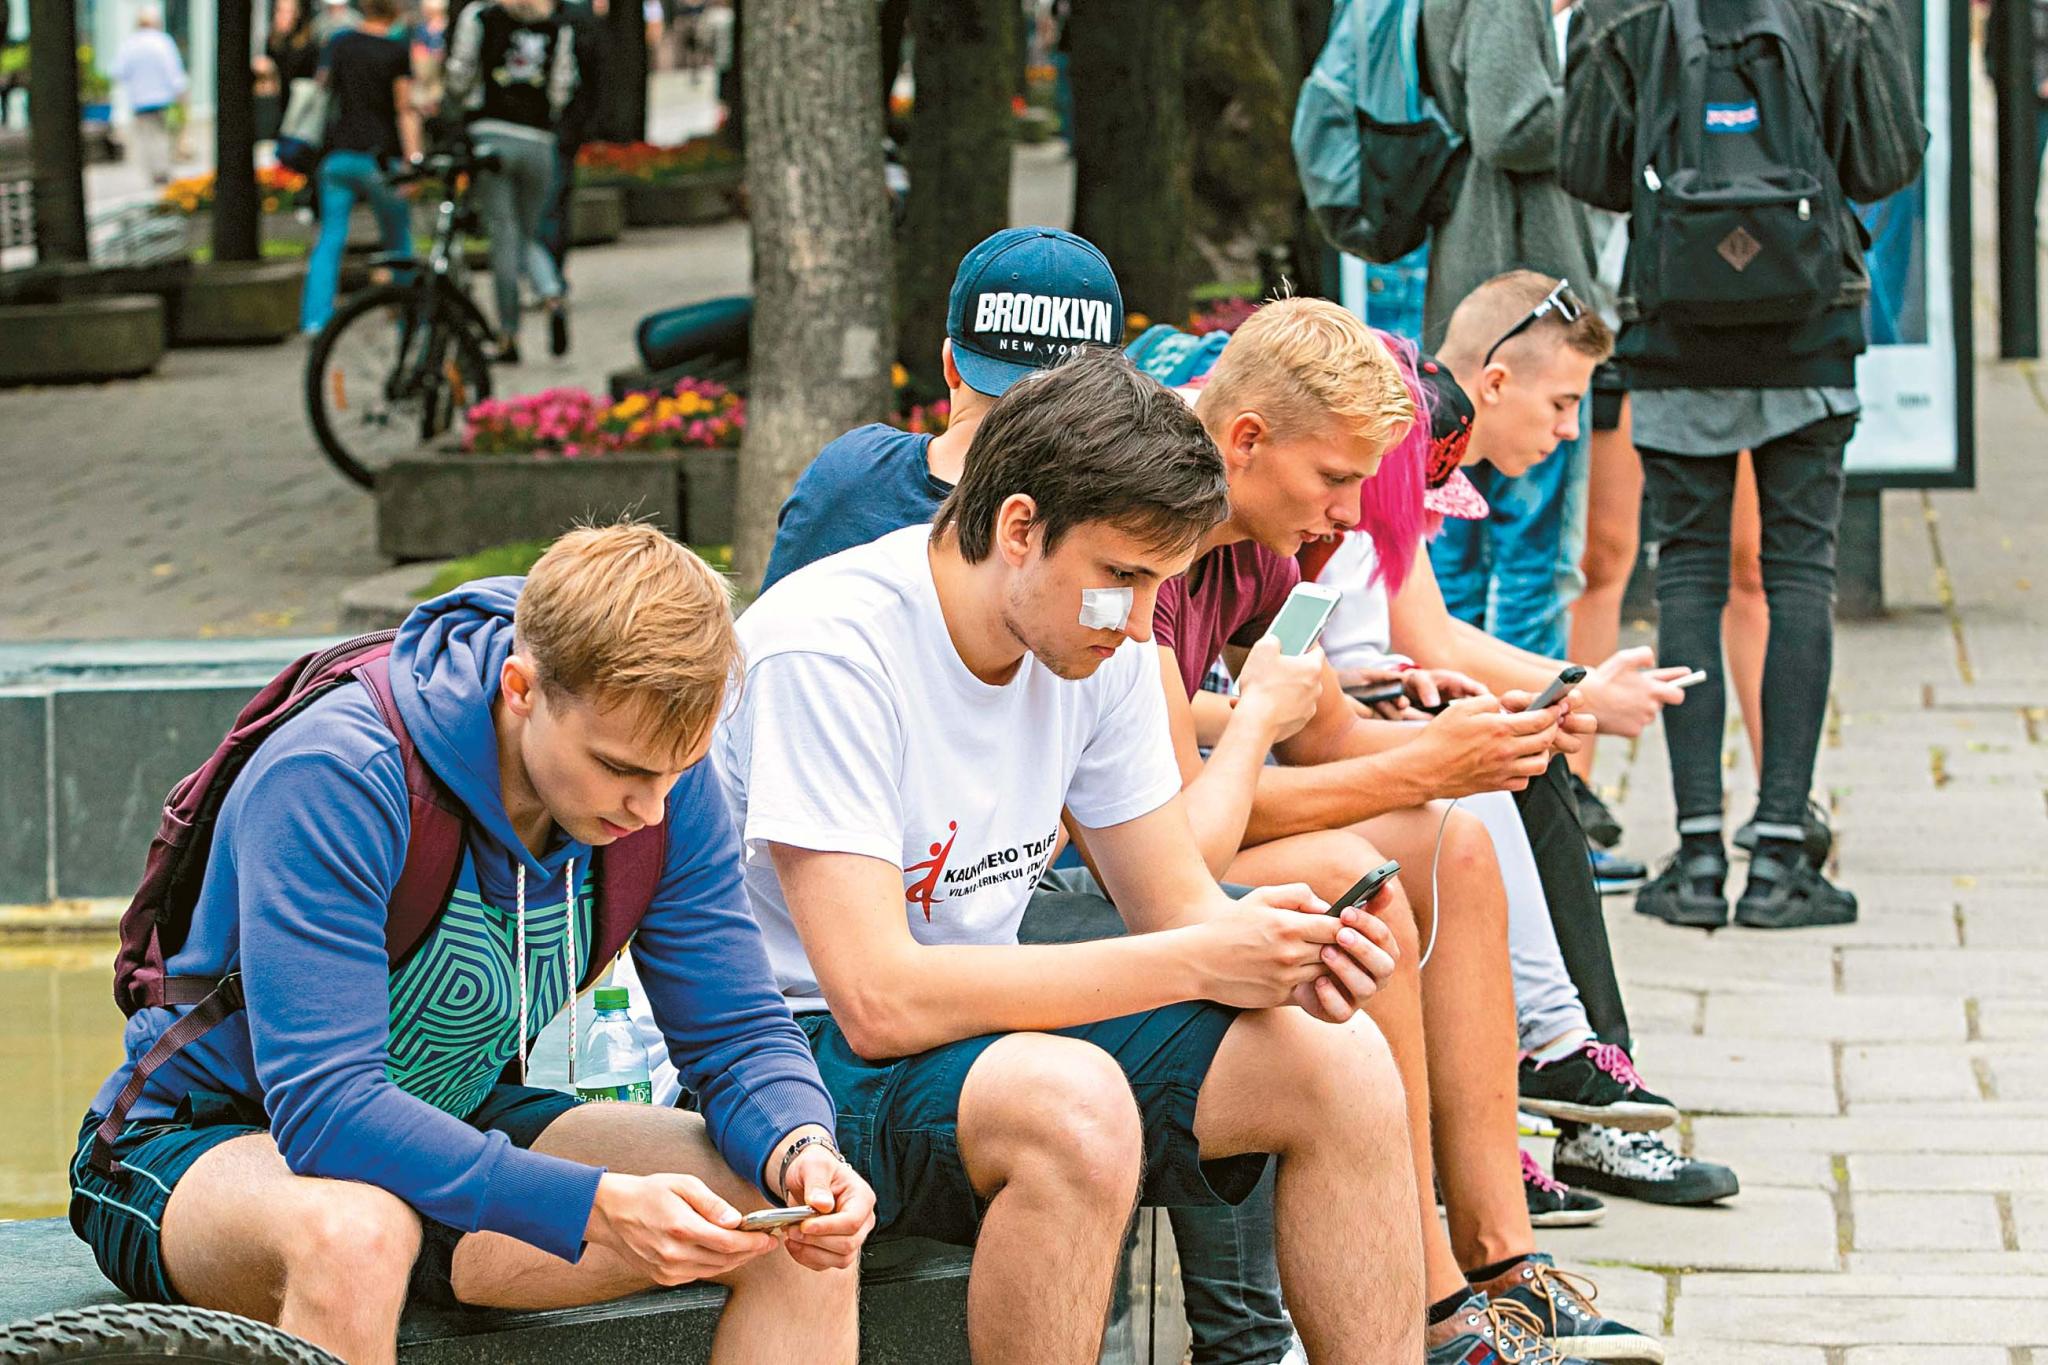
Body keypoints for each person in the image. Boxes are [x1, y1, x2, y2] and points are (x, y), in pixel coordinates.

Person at [634, 348, 1428, 1364]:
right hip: (786, 1061)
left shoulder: (1098, 643)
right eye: (1121, 579)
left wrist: (1285, 951)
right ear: (1018, 528)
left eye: (1160, 585)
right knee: (1072, 1106)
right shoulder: (830, 645)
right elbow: (877, 1001)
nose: (1139, 627)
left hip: (971, 1037)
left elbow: (1177, 905)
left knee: (1339, 1062)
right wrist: (1200, 958)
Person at [67, 526, 876, 1365]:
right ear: (520, 688)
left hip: (451, 1116)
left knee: (789, 1225)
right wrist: (594, 1205)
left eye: (678, 769)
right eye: (620, 768)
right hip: (204, 1141)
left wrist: (802, 1146)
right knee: (357, 1234)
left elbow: (737, 1031)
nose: (652, 809)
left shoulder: (662, 778)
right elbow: (327, 1109)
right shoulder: (337, 772)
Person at [1157, 297, 1666, 1365]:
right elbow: (1171, 823)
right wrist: (1418, 765)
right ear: (1243, 440)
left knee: (1456, 838)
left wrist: (1470, 742)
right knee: (1368, 877)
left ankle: (1503, 1260)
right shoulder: (1145, 539)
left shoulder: (1270, 548)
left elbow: (1325, 734)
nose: (1350, 518)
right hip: (1108, 862)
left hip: (1188, 821)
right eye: (1334, 480)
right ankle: (1432, 1303)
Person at [1562, 0, 1924, 929]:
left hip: (1676, 318)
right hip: (1809, 320)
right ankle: (1780, 856)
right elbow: (1889, 160)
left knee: (1687, 572)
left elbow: (1588, 168)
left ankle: (1694, 859)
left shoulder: (1625, 12)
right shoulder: (1838, 10)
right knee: (1799, 571)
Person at [1419, 0, 1600, 661]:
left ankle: (1461, 709)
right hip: (1522, 308)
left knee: (1456, 549)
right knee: (1532, 558)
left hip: (1489, 292)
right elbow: (1509, 127)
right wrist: (1615, 99)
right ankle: (1525, 725)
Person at [444, 0, 579, 362]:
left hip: (492, 135)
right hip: (539, 140)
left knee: (504, 236)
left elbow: (460, 73)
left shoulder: (481, 17)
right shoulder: (557, 27)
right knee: (528, 235)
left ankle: (508, 335)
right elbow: (562, 86)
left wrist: (454, 103)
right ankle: (551, 293)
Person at [298, 0, 421, 335]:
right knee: (398, 239)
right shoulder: (395, 51)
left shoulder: (340, 43)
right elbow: (404, 109)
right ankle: (409, 315)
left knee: (330, 238)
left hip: (338, 155)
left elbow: (321, 87)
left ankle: (316, 319)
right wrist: (412, 160)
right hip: (381, 158)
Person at [112, 7, 188, 186]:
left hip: (140, 100)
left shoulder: (130, 44)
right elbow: (174, 72)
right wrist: (181, 93)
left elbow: (118, 72)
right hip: (163, 99)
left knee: (146, 138)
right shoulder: (163, 42)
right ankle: (162, 171)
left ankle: (155, 172)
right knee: (162, 135)